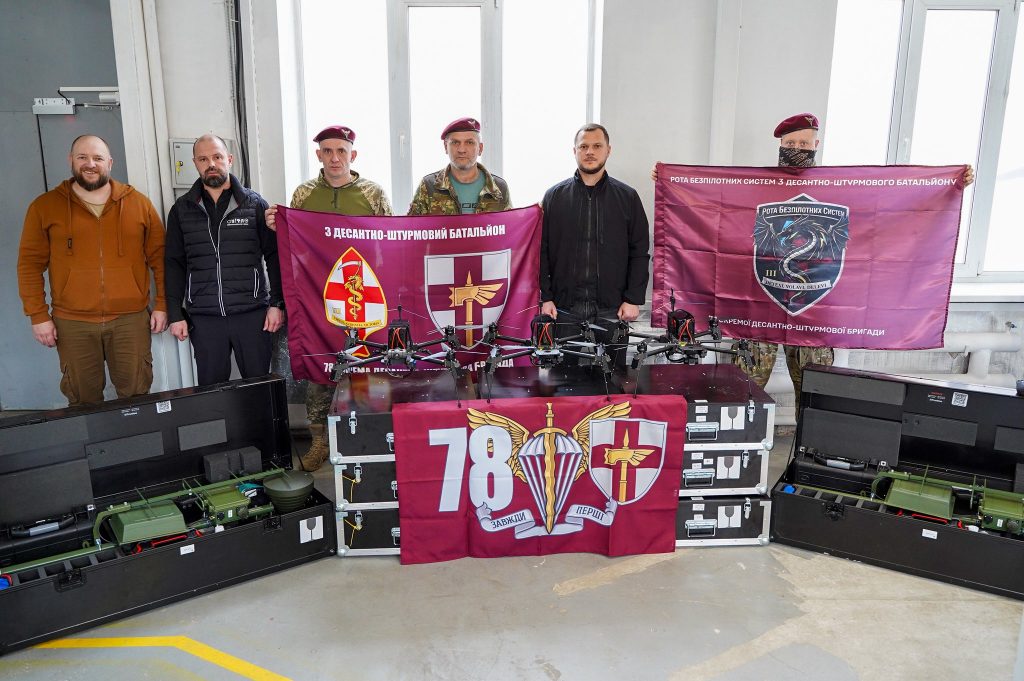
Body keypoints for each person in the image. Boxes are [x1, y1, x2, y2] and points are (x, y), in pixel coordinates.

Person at [651, 112, 975, 406]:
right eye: (791, 143)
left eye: (803, 143)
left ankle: (808, 451)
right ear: (780, 144)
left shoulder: (836, 188)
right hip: (758, 310)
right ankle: (741, 447)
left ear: (816, 145)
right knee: (741, 392)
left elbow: (892, 205)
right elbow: (715, 209)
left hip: (815, 313)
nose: (797, 148)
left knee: (814, 396)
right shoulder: (756, 186)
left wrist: (952, 183)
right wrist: (670, 183)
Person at [266, 125, 392, 472]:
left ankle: (369, 438)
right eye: (328, 151)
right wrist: (279, 226)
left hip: (365, 296)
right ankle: (320, 441)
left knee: (367, 368)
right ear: (318, 155)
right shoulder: (304, 194)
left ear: (353, 154)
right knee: (321, 368)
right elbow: (293, 244)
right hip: (319, 296)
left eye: (341, 151)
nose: (335, 158)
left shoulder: (373, 193)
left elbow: (389, 242)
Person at [17, 134, 167, 407]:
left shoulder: (139, 204)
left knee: (136, 397)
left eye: (98, 158)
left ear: (110, 162)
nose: (90, 164)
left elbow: (161, 259)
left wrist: (163, 304)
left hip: (130, 320)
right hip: (72, 323)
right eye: (82, 157)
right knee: (83, 401)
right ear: (71, 160)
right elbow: (29, 264)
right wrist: (38, 315)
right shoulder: (44, 207)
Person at [164, 134, 283, 385]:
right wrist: (175, 313)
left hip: (252, 315)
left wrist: (277, 304)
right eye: (203, 159)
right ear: (195, 163)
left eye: (217, 157)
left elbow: (274, 257)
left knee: (259, 388)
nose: (211, 164)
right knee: (212, 391)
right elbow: (174, 263)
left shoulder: (254, 204)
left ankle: (257, 416)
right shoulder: (182, 209)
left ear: (229, 159)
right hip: (204, 318)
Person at [540, 123, 650, 365]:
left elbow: (640, 252)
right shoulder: (554, 197)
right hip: (564, 309)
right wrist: (545, 297)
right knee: (562, 379)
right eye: (584, 146)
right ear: (574, 151)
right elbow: (541, 251)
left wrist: (633, 298)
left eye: (597, 146)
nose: (590, 152)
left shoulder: (628, 197)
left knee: (614, 376)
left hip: (613, 308)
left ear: (608, 150)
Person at [408, 117, 511, 215]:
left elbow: (510, 225)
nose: (462, 150)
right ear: (446, 147)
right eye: (455, 142)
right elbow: (411, 226)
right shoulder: (428, 186)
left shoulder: (499, 187)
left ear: (480, 148)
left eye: (469, 142)